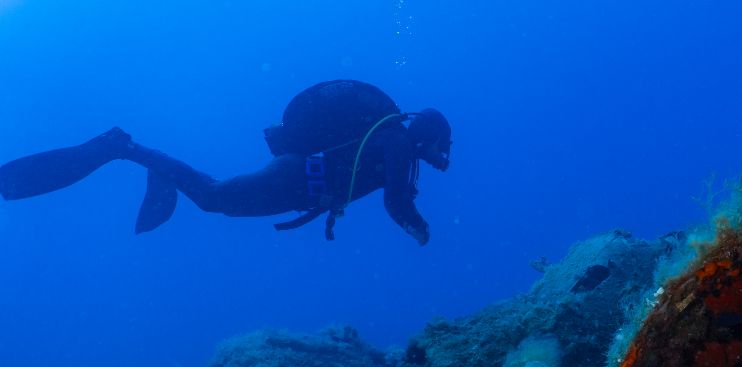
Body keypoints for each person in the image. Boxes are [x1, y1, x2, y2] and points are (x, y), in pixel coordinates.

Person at [0, 80, 451, 244]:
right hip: (298, 179)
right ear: (427, 137)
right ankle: (126, 148)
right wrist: (418, 227)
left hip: (300, 180)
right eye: (440, 147)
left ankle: (157, 163)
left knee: (217, 197)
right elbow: (395, 201)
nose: (440, 157)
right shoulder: (395, 143)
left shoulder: (392, 141)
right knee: (215, 198)